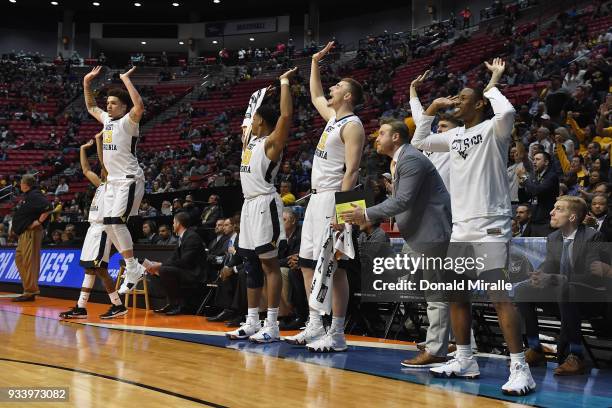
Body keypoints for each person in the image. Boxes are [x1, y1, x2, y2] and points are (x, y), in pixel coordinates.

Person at [412, 58, 536, 395]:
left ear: (480, 103)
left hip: (491, 225)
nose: (456, 101)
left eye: (462, 98)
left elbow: (508, 113)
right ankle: (465, 358)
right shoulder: (453, 137)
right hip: (461, 226)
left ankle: (520, 367)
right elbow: (420, 142)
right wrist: (431, 109)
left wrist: (492, 85)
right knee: (457, 295)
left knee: (499, 297)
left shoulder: (494, 129)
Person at [341, 119, 452, 367]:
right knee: (423, 288)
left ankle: (438, 349)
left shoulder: (410, 158)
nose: (376, 138)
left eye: (382, 133)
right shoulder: (400, 159)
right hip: (419, 233)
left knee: (436, 292)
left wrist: (366, 214)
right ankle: (447, 339)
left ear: (396, 138)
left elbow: (403, 201)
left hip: (431, 232)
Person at [284, 41, 365, 353]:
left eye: (339, 85)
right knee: (307, 264)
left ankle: (338, 332)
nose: (332, 87)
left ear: (347, 96)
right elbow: (316, 93)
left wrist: (344, 214)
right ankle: (315, 322)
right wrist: (314, 62)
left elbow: (354, 171)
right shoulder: (333, 118)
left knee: (336, 266)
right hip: (315, 200)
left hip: (336, 198)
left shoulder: (353, 124)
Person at [225, 67, 297, 342]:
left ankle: (273, 324)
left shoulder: (270, 143)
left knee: (269, 266)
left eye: (253, 118)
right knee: (250, 266)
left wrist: (283, 83)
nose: (248, 122)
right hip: (247, 207)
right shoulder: (248, 140)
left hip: (266, 204)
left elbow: (286, 116)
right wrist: (256, 98)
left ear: (262, 123)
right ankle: (252, 321)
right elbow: (248, 115)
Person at [516, 196, 606, 375]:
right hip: (562, 294)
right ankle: (535, 348)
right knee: (522, 289)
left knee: (566, 288)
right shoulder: (554, 237)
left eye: (558, 209)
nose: (551, 212)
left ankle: (576, 356)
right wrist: (539, 275)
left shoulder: (593, 236)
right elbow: (550, 264)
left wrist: (558, 278)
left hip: (590, 297)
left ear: (572, 217)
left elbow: (593, 276)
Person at [83, 65, 146, 294]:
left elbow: (139, 106)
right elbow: (91, 106)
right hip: (112, 183)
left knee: (114, 223)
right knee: (109, 226)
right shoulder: (107, 121)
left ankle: (133, 267)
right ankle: (134, 267)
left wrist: (125, 80)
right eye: (108, 103)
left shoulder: (129, 122)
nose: (108, 106)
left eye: (113, 103)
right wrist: (87, 82)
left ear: (123, 107)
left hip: (129, 179)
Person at [59, 137, 127, 319]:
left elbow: (104, 163)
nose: (103, 171)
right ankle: (81, 307)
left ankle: (118, 305)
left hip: (103, 230)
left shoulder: (113, 185)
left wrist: (99, 142)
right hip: (93, 229)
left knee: (100, 269)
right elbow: (86, 169)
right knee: (90, 269)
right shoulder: (100, 186)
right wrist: (82, 148)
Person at [146, 211, 205, 315]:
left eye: (173, 223)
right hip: (186, 270)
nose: (173, 225)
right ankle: (172, 303)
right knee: (159, 270)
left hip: (195, 273)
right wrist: (158, 265)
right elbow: (173, 258)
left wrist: (161, 266)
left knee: (164, 270)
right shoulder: (183, 237)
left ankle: (178, 305)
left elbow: (185, 261)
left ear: (178, 223)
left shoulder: (192, 237)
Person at [10, 174, 51, 302]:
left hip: (31, 232)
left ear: (26, 184)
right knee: (20, 259)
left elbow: (48, 207)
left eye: (21, 183)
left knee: (29, 261)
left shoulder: (35, 194)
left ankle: (30, 291)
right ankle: (29, 288)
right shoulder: (29, 196)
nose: (20, 185)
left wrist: (38, 222)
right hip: (24, 233)